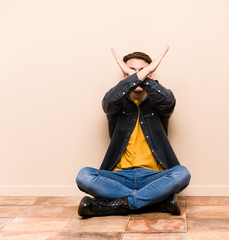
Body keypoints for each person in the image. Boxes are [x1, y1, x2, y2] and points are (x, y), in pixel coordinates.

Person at [75, 46, 191, 218]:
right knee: (83, 176)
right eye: (131, 72)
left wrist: (138, 77)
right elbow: (108, 102)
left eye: (143, 71)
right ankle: (157, 202)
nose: (137, 75)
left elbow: (169, 101)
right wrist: (137, 77)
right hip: (119, 177)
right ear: (124, 76)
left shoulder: (159, 102)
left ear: (150, 75)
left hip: (153, 177)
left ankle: (113, 205)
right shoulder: (116, 104)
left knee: (182, 174)